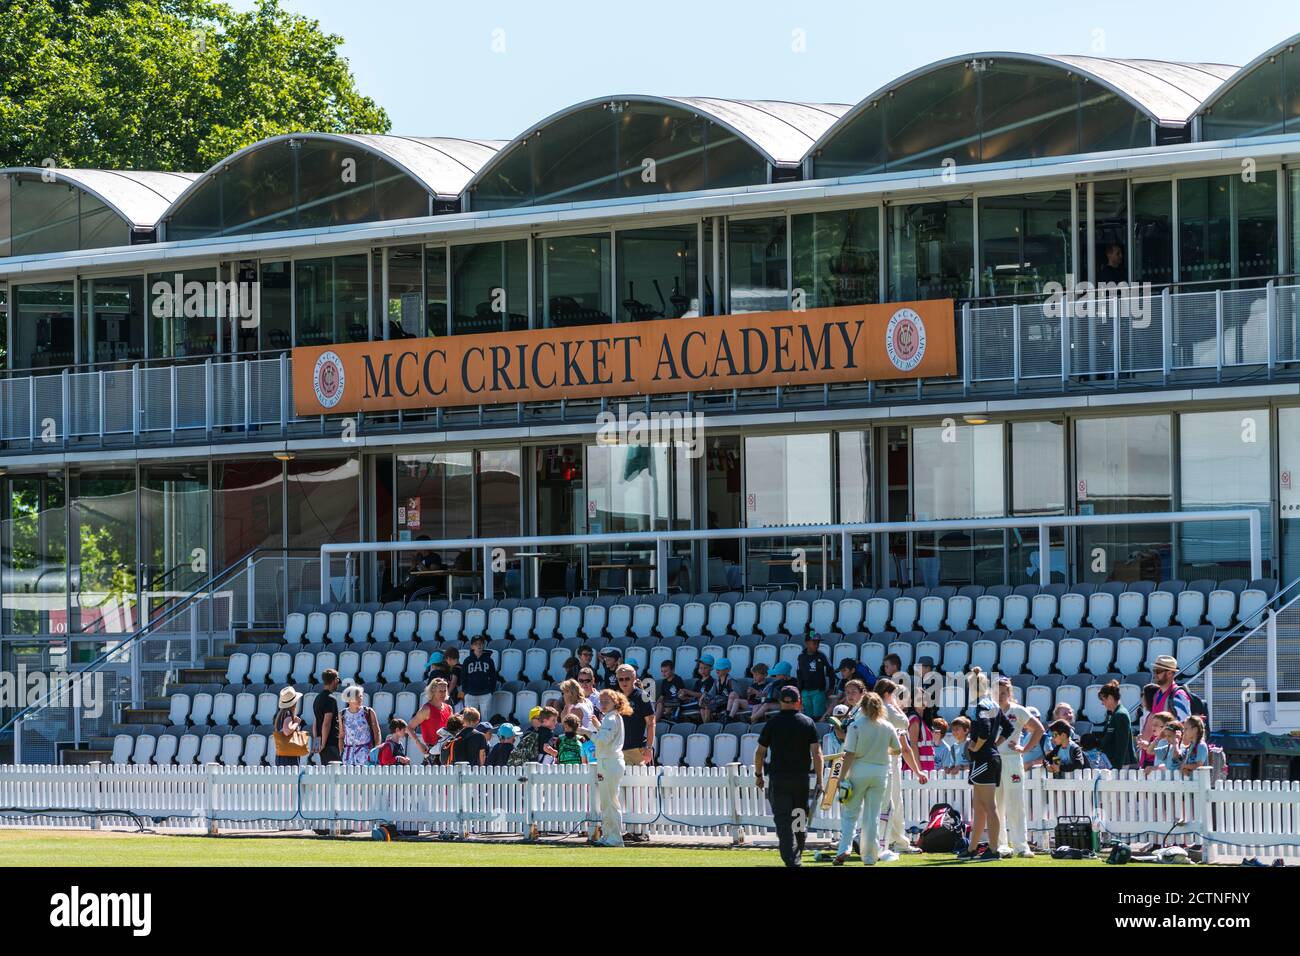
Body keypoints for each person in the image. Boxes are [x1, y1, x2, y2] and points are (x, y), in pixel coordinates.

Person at [754, 685, 823, 868]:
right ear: (798, 702)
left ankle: (791, 861)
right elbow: (817, 754)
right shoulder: (807, 722)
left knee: (783, 821)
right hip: (800, 780)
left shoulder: (772, 723)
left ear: (780, 702)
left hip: (779, 779)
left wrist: (758, 774)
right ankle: (797, 854)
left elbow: (760, 752)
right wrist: (820, 780)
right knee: (799, 818)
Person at [834, 691, 906, 866]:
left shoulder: (856, 726)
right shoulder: (887, 726)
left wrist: (841, 777)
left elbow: (849, 753)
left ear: (862, 706)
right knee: (872, 816)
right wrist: (883, 751)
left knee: (850, 813)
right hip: (881, 773)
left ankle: (844, 848)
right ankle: (869, 856)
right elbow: (897, 750)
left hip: (859, 771)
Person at [993, 677, 1043, 858]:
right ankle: (1001, 845)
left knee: (1015, 803)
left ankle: (1022, 847)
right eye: (997, 693)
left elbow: (1039, 729)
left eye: (1003, 693)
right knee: (996, 805)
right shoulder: (989, 711)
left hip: (1013, 760)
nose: (1000, 696)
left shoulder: (1018, 711)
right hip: (994, 760)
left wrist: (1025, 749)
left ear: (1009, 693)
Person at [961, 690, 1010, 862]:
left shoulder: (982, 705)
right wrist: (993, 745)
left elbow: (984, 730)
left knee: (989, 806)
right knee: (980, 807)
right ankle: (972, 848)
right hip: (989, 758)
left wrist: (978, 746)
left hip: (983, 760)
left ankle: (994, 849)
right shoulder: (993, 705)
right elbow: (1008, 727)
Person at [877, 677, 923, 855]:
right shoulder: (887, 708)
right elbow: (905, 722)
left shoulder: (869, 707)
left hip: (875, 760)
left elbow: (905, 747)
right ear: (889, 694)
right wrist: (894, 704)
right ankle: (891, 843)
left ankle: (894, 841)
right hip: (888, 762)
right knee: (892, 802)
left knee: (887, 803)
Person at [585, 688, 632, 847]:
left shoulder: (611, 718)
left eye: (607, 701)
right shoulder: (610, 718)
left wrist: (586, 731)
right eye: (601, 701)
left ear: (615, 702)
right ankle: (608, 836)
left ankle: (615, 839)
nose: (603, 704)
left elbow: (602, 741)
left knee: (611, 802)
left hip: (610, 762)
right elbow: (606, 737)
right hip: (607, 762)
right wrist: (598, 726)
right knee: (606, 802)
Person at [616, 663, 655, 767]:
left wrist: (649, 748)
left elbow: (651, 724)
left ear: (634, 678)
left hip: (638, 750)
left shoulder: (643, 696)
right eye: (621, 679)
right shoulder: (617, 698)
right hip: (619, 750)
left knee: (642, 783)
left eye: (627, 678)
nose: (624, 682)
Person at [407, 678, 452, 761]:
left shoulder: (448, 708)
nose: (443, 694)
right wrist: (418, 743)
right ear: (433, 692)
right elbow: (409, 727)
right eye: (440, 691)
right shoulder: (426, 709)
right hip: (432, 752)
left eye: (444, 691)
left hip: (448, 750)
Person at [1097, 680, 1138, 770]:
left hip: (1121, 765)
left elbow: (1122, 744)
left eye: (1103, 700)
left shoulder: (1120, 715)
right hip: (1114, 763)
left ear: (1110, 698)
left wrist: (1117, 767)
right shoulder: (1114, 714)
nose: (1102, 703)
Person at [340, 685, 381, 766]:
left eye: (360, 696)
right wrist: (341, 751)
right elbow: (341, 735)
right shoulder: (342, 714)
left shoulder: (368, 712)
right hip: (348, 754)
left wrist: (375, 749)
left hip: (365, 752)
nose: (360, 699)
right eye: (356, 697)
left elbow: (377, 731)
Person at [461, 635, 501, 716]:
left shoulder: (489, 660)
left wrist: (490, 691)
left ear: (484, 645)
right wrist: (466, 691)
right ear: (472, 646)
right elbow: (463, 677)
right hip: (470, 694)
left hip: (485, 694)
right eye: (476, 644)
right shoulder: (467, 661)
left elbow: (493, 677)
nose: (478, 645)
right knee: (470, 719)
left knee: (486, 719)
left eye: (481, 643)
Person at [796, 634, 833, 719]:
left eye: (818, 643)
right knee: (807, 717)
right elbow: (799, 674)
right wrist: (799, 691)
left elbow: (831, 671)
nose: (817, 645)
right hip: (805, 692)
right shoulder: (801, 657)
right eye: (814, 643)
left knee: (818, 717)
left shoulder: (822, 656)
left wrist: (831, 687)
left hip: (818, 691)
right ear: (807, 643)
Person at [273, 686, 306, 767]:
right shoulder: (288, 714)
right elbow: (287, 731)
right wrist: (297, 723)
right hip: (289, 755)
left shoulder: (280, 715)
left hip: (281, 754)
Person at [313, 668, 341, 764]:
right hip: (330, 743)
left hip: (321, 743)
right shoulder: (331, 699)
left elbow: (316, 722)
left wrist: (317, 743)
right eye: (338, 679)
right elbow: (326, 723)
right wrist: (324, 744)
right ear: (334, 680)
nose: (338, 682)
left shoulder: (317, 698)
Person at [1151, 656, 1192, 722]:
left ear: (1169, 673)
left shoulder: (1178, 695)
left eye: (1158, 671)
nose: (1155, 674)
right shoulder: (1157, 694)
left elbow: (1185, 726)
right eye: (1154, 670)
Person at [702, 658, 734, 722]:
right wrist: (703, 696)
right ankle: (707, 723)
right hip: (717, 701)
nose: (717, 671)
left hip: (726, 702)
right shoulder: (717, 681)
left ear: (728, 670)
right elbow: (711, 693)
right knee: (703, 704)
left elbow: (735, 695)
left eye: (720, 669)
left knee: (708, 705)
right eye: (717, 669)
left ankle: (706, 724)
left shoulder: (730, 681)